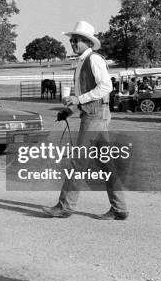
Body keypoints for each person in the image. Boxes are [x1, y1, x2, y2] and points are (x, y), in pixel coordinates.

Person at [42, 21, 128, 221]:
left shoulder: (94, 59)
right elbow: (89, 94)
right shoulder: (82, 62)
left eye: (76, 40)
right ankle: (120, 208)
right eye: (72, 40)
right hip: (94, 114)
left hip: (95, 116)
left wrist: (77, 100)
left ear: (88, 41)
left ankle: (65, 206)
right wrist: (70, 110)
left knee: (77, 162)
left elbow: (106, 87)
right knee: (106, 164)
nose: (72, 43)